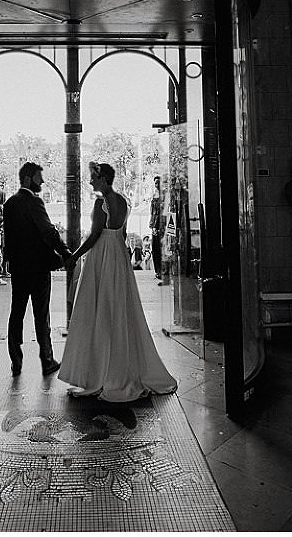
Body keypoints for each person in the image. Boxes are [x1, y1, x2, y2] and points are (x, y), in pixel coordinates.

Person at [59, 162, 177, 402]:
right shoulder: (123, 201)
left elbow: (94, 235)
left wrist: (74, 256)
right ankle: (122, 366)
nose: (91, 182)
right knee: (119, 310)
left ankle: (102, 372)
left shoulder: (99, 203)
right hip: (118, 257)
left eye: (93, 178)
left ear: (103, 179)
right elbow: (121, 234)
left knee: (99, 309)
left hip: (102, 256)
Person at [2, 161, 70, 376]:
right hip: (38, 268)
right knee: (41, 315)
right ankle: (47, 360)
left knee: (17, 313)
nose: (42, 181)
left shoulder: (10, 203)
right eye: (39, 177)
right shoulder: (34, 202)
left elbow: (9, 239)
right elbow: (48, 231)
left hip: (19, 268)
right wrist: (65, 252)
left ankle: (16, 361)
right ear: (29, 178)